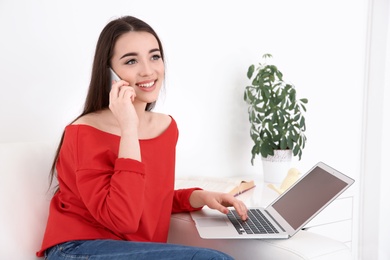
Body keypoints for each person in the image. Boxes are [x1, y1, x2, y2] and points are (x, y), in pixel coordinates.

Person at [37, 15, 248, 260]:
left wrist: (198, 197)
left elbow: (144, 198)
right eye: (131, 61)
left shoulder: (166, 127)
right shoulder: (83, 132)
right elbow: (122, 218)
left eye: (154, 56)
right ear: (109, 73)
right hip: (77, 250)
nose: (148, 70)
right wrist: (128, 128)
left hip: (129, 250)